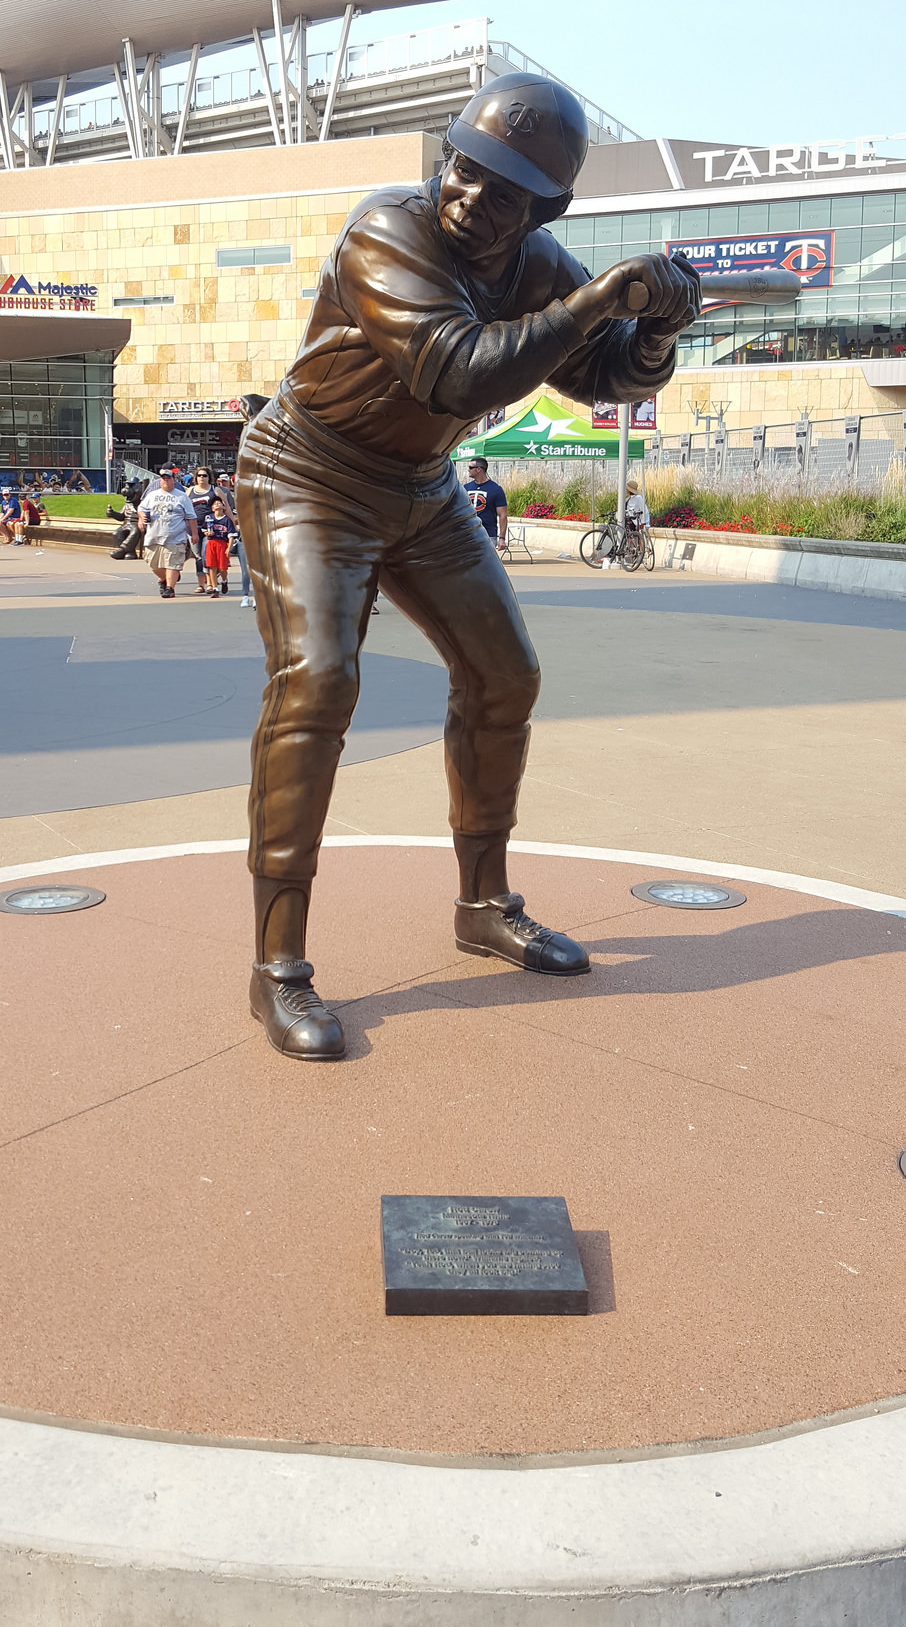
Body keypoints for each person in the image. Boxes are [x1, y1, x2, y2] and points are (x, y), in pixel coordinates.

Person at [235, 71, 700, 1060]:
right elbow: (457, 368)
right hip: (309, 472)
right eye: (463, 165)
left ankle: (484, 902)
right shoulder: (386, 228)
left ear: (541, 205)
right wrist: (591, 303)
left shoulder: (534, 262)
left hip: (422, 484)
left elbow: (600, 371)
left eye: (501, 187)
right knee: (318, 680)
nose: (469, 193)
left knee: (506, 673)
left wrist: (655, 328)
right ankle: (277, 967)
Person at [137, 464, 199, 598]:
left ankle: (170, 588)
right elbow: (141, 508)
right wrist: (141, 517)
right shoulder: (152, 495)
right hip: (154, 536)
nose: (165, 481)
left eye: (168, 478)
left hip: (175, 537)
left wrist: (194, 534)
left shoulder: (182, 497)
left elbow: (191, 517)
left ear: (173, 480)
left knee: (173, 563)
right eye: (163, 478)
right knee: (153, 563)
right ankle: (166, 579)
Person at [214, 471, 253, 604]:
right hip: (242, 538)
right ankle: (246, 595)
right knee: (245, 570)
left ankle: (258, 597)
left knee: (258, 570)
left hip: (258, 539)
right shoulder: (232, 497)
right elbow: (231, 513)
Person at [464, 457, 508, 550]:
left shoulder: (496, 489)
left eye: (471, 467)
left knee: (486, 563)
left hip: (488, 534)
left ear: (479, 469)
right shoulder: (465, 488)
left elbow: (502, 515)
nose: (468, 470)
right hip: (468, 533)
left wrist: (502, 538)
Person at [201, 495, 239, 596]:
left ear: (223, 506)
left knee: (222, 568)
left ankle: (224, 580)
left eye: (219, 503)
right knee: (212, 567)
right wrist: (207, 534)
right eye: (215, 504)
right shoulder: (209, 518)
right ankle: (215, 588)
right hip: (212, 543)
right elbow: (204, 529)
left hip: (222, 544)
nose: (217, 504)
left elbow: (231, 535)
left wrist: (229, 547)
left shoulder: (227, 520)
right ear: (212, 508)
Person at [188, 465, 215, 595]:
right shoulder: (190, 491)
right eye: (199, 475)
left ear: (209, 478)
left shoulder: (215, 491)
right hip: (193, 528)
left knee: (206, 554)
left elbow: (225, 508)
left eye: (205, 475)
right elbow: (183, 508)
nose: (202, 478)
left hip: (209, 528)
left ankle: (210, 583)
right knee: (198, 556)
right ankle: (201, 584)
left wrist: (232, 525)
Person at [108, 477, 147, 559]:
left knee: (135, 531)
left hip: (136, 525)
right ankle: (130, 552)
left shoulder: (143, 504)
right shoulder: (127, 505)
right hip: (126, 524)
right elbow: (121, 516)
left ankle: (122, 550)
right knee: (116, 533)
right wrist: (113, 514)